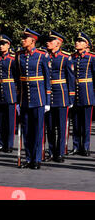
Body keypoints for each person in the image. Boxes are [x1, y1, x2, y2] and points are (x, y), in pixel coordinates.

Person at [16, 28, 51, 169]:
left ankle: (36, 159)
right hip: (25, 99)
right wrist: (18, 100)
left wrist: (47, 101)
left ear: (33, 40)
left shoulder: (42, 55)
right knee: (27, 131)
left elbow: (47, 79)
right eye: (23, 38)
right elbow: (17, 79)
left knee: (37, 130)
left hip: (39, 99)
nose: (23, 40)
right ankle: (28, 158)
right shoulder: (18, 56)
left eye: (26, 38)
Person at [44, 31, 75, 162]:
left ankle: (60, 153)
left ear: (58, 43)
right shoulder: (44, 56)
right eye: (48, 41)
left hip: (61, 95)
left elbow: (71, 78)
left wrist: (71, 97)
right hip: (47, 95)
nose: (48, 43)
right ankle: (51, 152)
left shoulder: (65, 58)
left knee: (61, 127)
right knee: (50, 127)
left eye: (51, 41)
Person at [69, 32, 94, 157]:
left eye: (80, 41)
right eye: (76, 41)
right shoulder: (72, 57)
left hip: (87, 93)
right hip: (75, 92)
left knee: (86, 123)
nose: (77, 43)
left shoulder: (91, 58)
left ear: (86, 44)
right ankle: (76, 146)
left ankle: (85, 147)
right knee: (76, 122)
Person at [0, 35, 18, 153]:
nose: (1, 46)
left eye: (4, 44)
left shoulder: (13, 59)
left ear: (8, 45)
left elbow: (17, 77)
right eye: (0, 44)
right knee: (0, 120)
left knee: (10, 121)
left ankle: (9, 144)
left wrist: (17, 94)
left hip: (10, 92)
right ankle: (1, 143)